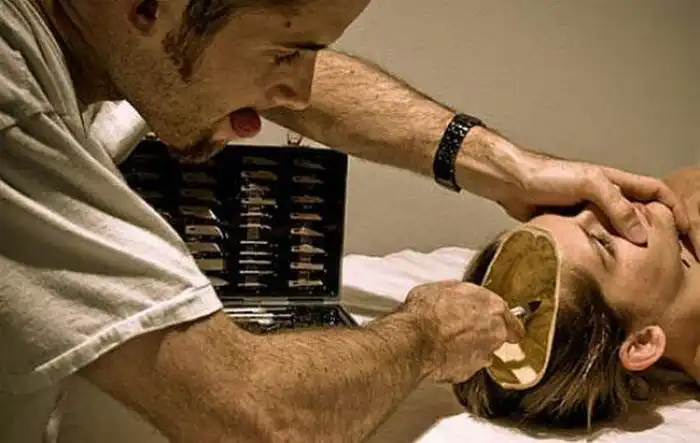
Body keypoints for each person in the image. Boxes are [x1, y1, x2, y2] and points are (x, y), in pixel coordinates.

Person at [0, 1, 696, 442]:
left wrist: (504, 165)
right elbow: (254, 415)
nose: (299, 93)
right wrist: (424, 338)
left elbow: (229, 57)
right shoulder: (14, 107)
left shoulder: (118, 40)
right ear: (149, 8)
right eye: (288, 53)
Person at [454, 165, 700, 429]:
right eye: (603, 243)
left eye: (568, 210)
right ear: (642, 343)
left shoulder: (679, 200)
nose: (599, 208)